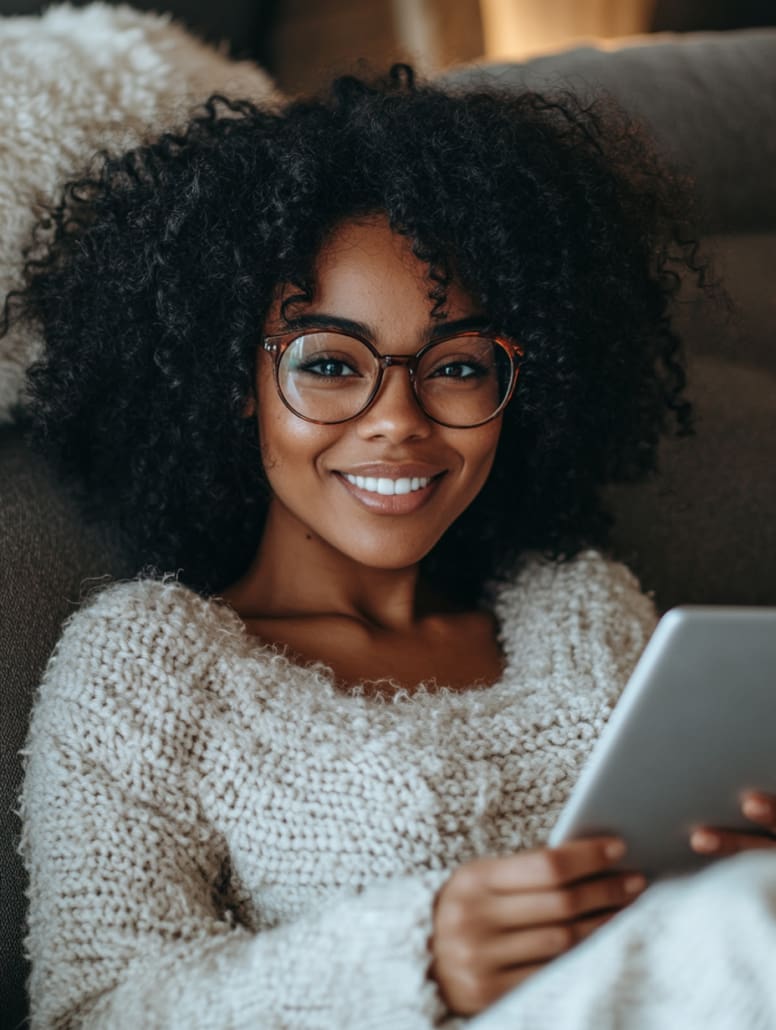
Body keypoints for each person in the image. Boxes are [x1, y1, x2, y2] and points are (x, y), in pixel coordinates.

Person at [10, 66, 776, 1029]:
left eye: (456, 366)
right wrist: (416, 958)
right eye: (330, 364)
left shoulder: (585, 619)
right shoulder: (146, 671)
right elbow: (93, 1009)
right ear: (232, 382)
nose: (398, 423)